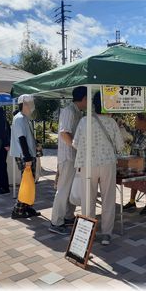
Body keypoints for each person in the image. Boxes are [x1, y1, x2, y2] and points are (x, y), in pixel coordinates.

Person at [72, 91, 124, 245]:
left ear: (93, 104)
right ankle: (106, 234)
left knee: (88, 199)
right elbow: (120, 147)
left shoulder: (84, 121)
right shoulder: (112, 123)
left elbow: (75, 143)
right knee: (108, 199)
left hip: (88, 164)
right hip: (107, 164)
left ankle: (87, 233)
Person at [49, 86, 87, 235]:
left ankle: (68, 217)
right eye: (88, 98)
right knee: (63, 189)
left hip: (73, 157)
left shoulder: (77, 112)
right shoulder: (69, 111)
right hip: (68, 157)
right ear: (84, 98)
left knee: (71, 188)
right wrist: (77, 147)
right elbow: (64, 133)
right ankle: (55, 222)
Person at [10, 94, 41, 219]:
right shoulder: (19, 118)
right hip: (24, 155)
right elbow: (21, 138)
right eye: (30, 103)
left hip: (28, 154)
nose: (31, 105)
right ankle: (18, 210)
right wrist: (27, 157)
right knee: (27, 182)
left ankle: (28, 207)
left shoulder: (24, 118)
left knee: (30, 182)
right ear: (24, 104)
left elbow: (26, 137)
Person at [122, 113, 146, 214]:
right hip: (135, 164)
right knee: (133, 183)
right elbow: (130, 130)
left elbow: (139, 147)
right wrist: (123, 124)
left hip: (145, 165)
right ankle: (132, 202)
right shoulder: (137, 131)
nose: (135, 122)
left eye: (136, 121)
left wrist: (128, 141)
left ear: (143, 122)